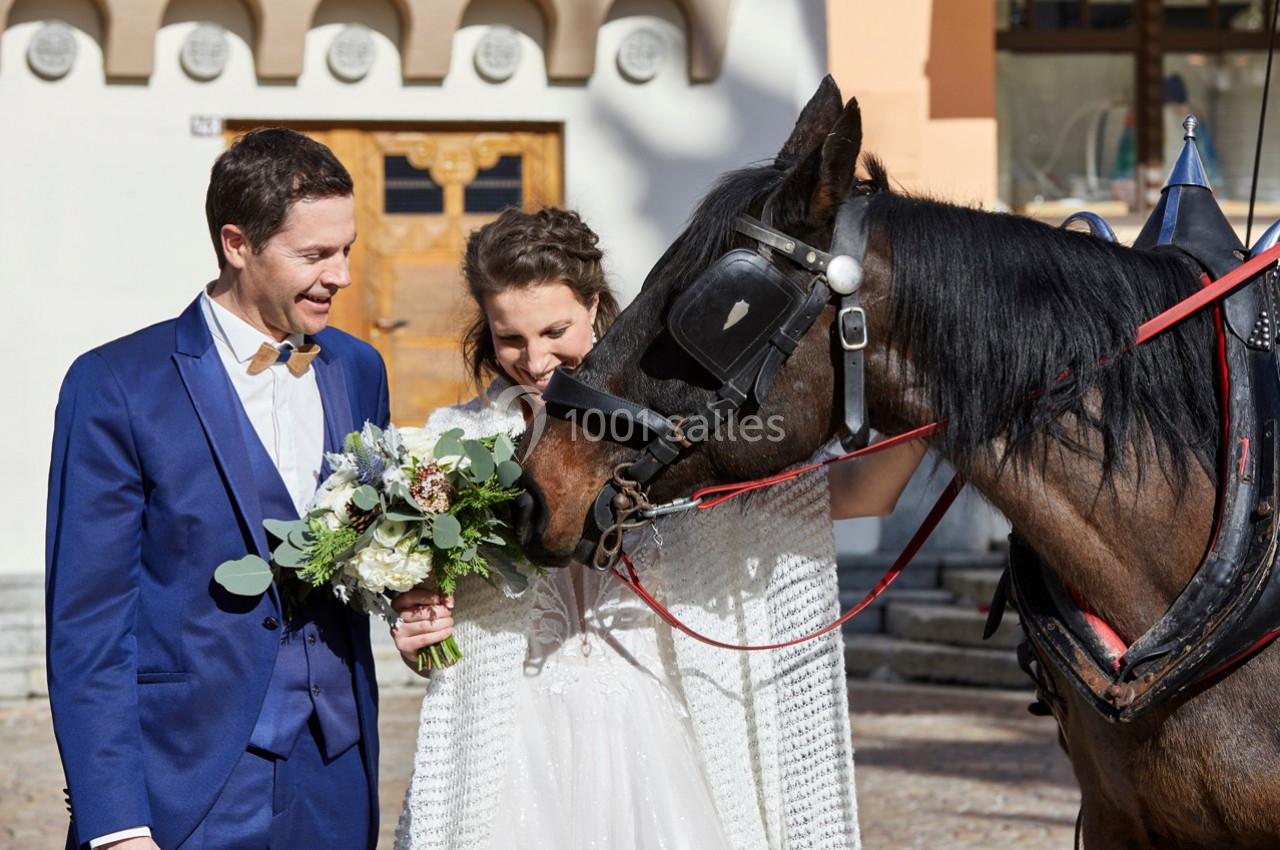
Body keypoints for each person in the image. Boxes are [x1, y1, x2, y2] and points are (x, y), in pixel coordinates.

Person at [390, 207, 924, 850]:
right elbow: (432, 612)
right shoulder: (452, 444)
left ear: (594, 305)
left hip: (662, 733)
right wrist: (419, 627)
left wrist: (941, 403)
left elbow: (860, 493)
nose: (534, 360)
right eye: (510, 339)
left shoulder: (671, 433)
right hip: (510, 742)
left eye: (555, 329)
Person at [45, 128, 387, 850]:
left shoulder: (359, 370)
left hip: (337, 773)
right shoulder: (114, 385)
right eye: (315, 255)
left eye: (346, 250)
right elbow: (89, 624)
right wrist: (115, 823)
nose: (343, 276)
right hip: (187, 786)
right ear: (238, 244)